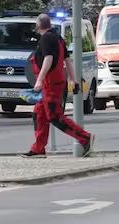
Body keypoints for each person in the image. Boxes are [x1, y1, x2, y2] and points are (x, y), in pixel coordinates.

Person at [23, 14, 93, 158]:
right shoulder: (59, 39)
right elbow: (67, 60)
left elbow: (49, 59)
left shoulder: (46, 39)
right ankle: (38, 149)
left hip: (51, 84)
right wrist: (73, 80)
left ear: (38, 26)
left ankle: (85, 138)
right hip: (54, 83)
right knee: (39, 114)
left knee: (55, 117)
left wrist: (39, 80)